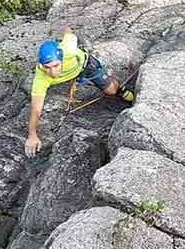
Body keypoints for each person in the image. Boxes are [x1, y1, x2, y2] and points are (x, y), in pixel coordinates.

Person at [24, 27, 135, 156]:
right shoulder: (41, 78)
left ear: (61, 58)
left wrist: (68, 29)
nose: (53, 72)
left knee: (111, 91)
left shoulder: (68, 49)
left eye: (56, 65)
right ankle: (75, 79)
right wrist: (32, 135)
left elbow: (69, 32)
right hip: (73, 71)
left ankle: (119, 88)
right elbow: (36, 109)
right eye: (47, 67)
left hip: (86, 65)